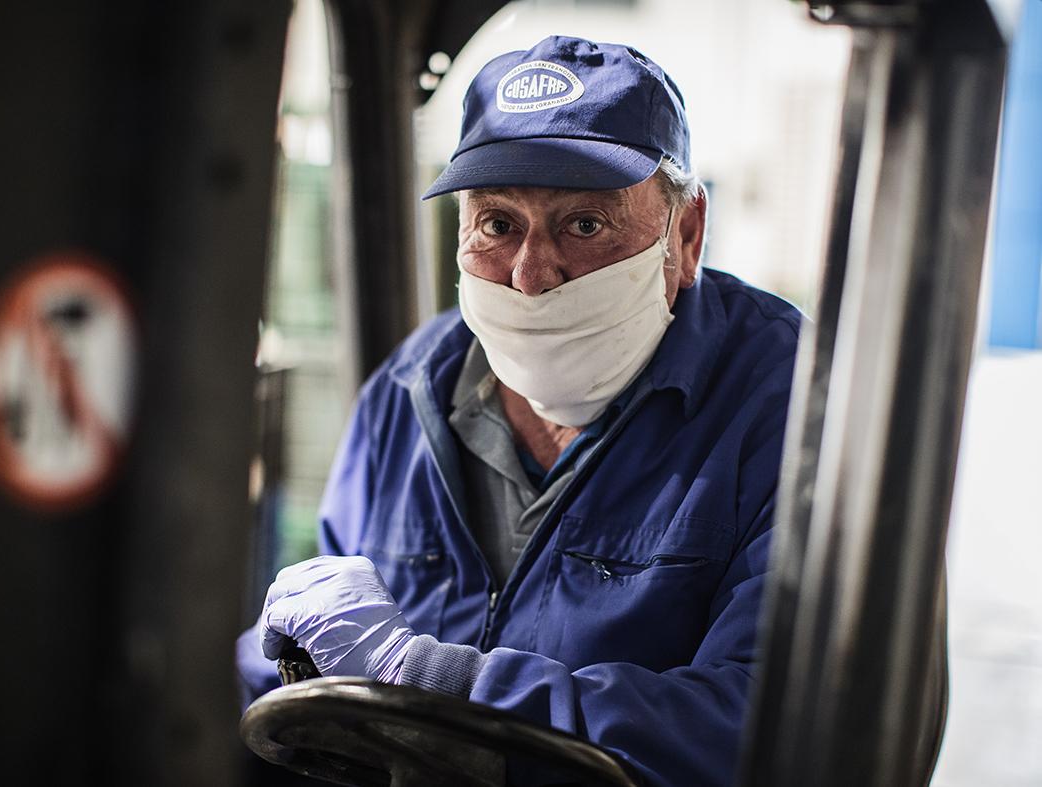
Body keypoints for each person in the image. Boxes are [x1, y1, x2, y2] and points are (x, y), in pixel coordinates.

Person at [238, 35, 801, 785]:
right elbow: (312, 671)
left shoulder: (786, 404)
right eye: (498, 224)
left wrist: (431, 681)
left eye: (586, 224)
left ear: (685, 235)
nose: (532, 275)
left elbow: (772, 729)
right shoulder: (409, 393)